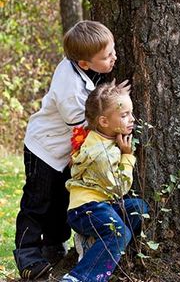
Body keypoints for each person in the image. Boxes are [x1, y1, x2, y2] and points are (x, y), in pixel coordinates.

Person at [14, 20, 117, 279]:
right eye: (107, 56)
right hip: (44, 149)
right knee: (38, 201)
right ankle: (27, 256)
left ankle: (53, 246)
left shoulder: (84, 63)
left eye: (113, 50)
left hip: (62, 155)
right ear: (84, 63)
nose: (114, 57)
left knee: (61, 200)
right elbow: (84, 123)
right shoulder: (69, 89)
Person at [61, 80, 148, 282]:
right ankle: (78, 277)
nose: (131, 119)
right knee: (119, 233)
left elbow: (102, 105)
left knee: (139, 208)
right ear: (104, 122)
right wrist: (127, 156)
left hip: (102, 205)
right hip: (85, 209)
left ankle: (93, 241)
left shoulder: (99, 133)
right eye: (124, 115)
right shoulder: (101, 154)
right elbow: (119, 188)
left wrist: (115, 95)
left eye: (131, 113)